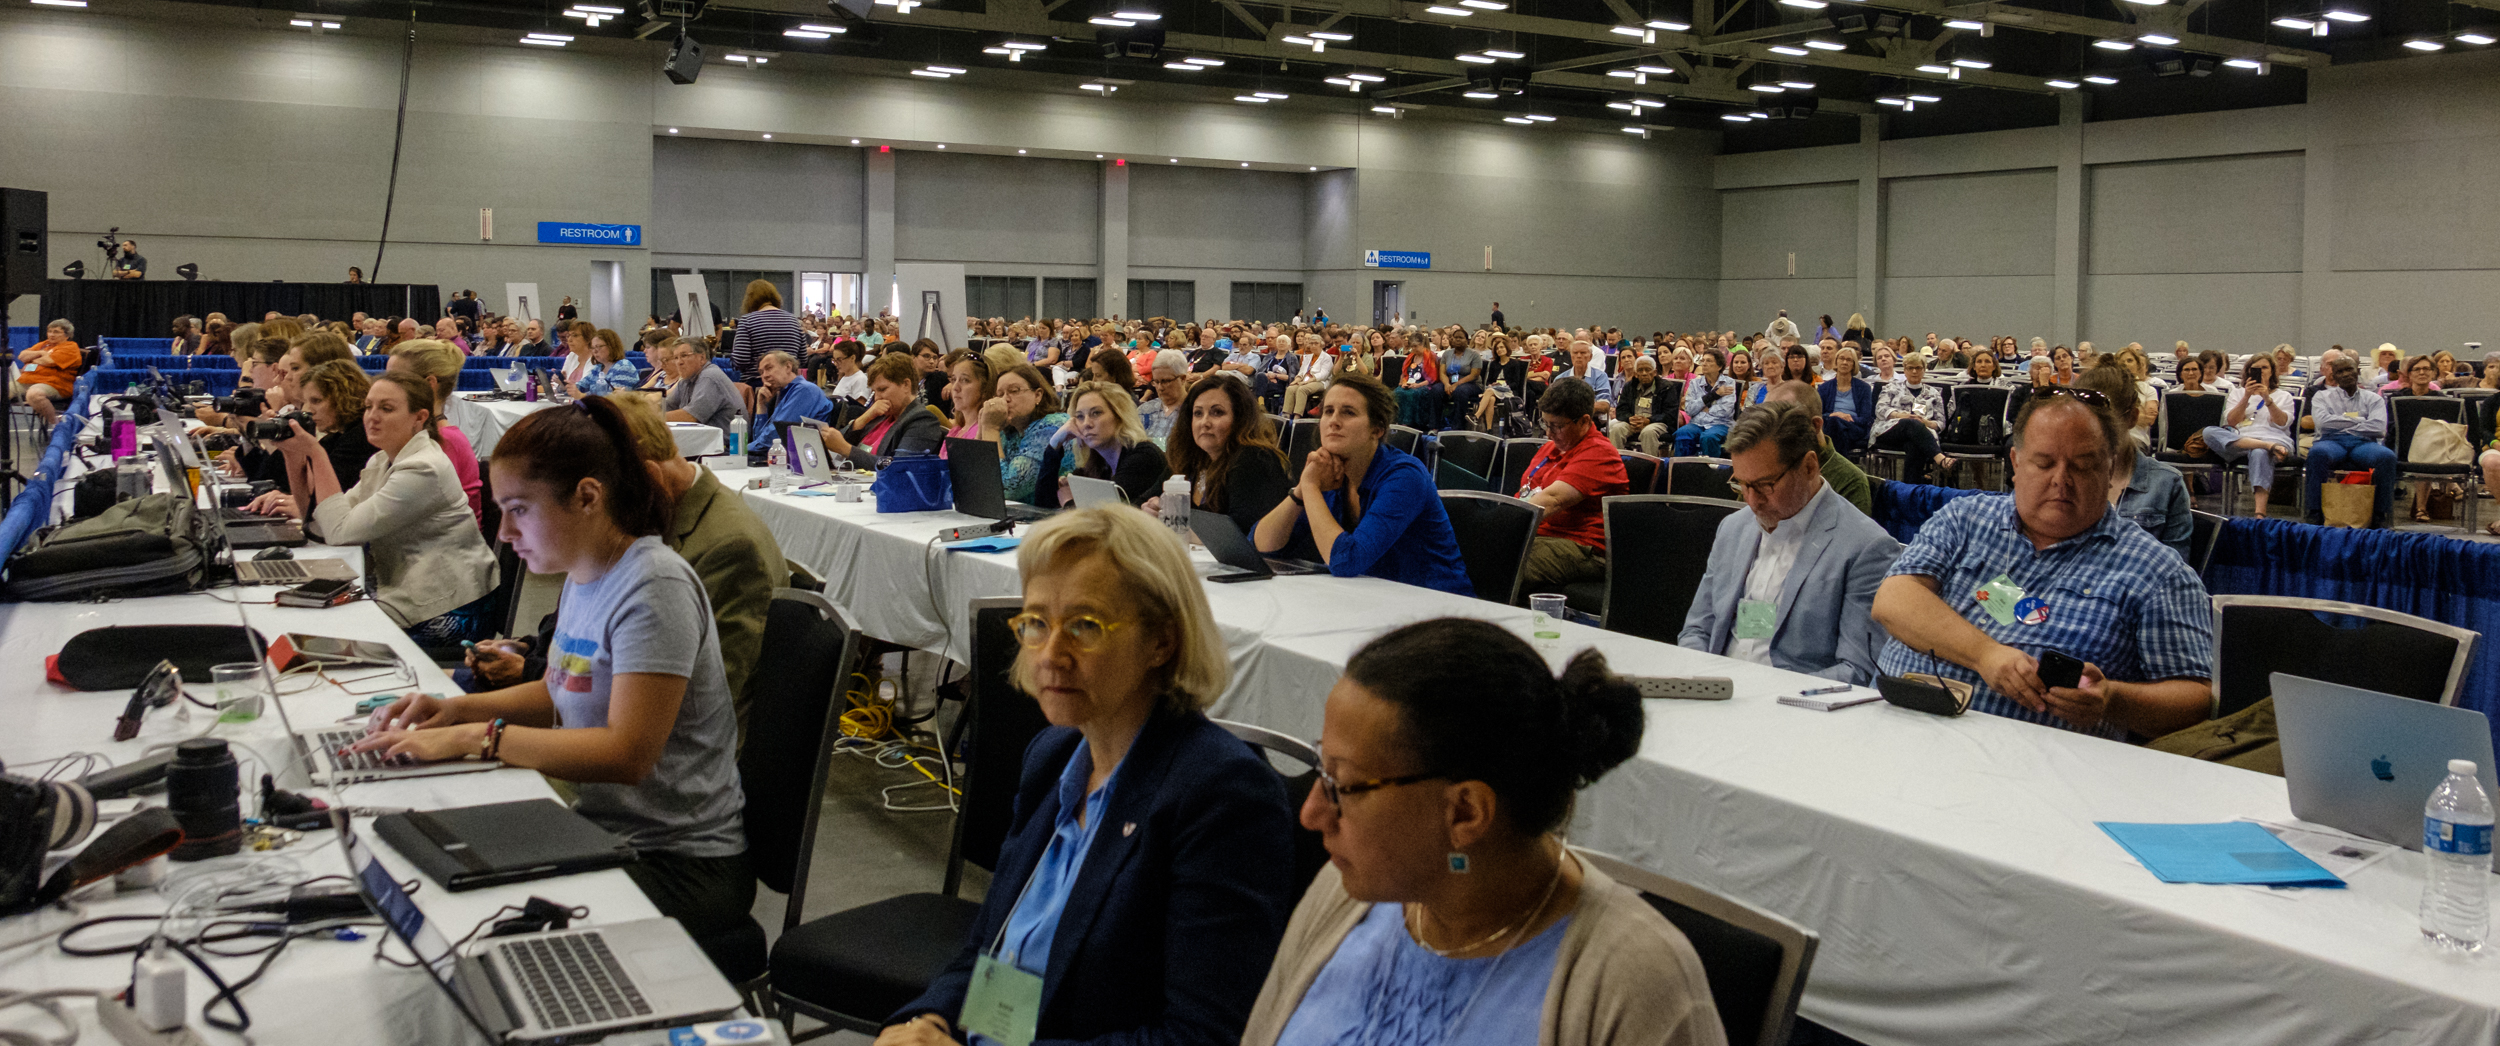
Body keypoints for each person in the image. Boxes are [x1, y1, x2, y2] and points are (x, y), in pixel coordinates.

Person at [352, 395, 758, 974]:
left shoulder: (655, 586)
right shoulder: (587, 571)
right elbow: (556, 691)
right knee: (419, 863)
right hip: (606, 829)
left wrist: (479, 739)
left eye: (519, 509)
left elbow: (627, 753)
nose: (505, 531)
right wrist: (456, 711)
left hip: (681, 863)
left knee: (466, 928)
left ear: (588, 497)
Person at [880, 508, 1298, 1046]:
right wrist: (928, 1021)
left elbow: (1201, 1038)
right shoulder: (1053, 757)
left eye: (1085, 626)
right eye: (1036, 622)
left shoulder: (1221, 795)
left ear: (1162, 642)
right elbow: (993, 948)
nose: (1051, 655)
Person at [1240, 618, 1726, 1046]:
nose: (1312, 814)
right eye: (1321, 770)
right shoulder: (1346, 893)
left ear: (1466, 813)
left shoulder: (1637, 983)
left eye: (1342, 785)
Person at [1870, 386, 2214, 740]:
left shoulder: (2158, 572)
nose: (2061, 479)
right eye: (2044, 463)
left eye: (2082, 465)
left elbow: (2198, 699)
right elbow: (1893, 599)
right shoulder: (1964, 518)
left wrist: (2112, 700)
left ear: (2110, 468)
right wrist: (1985, 655)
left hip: (2031, 762)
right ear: (2016, 463)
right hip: (1890, 734)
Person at [1681, 402, 1900, 684]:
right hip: (1716, 690)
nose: (1752, 501)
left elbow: (1857, 670)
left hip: (1795, 702)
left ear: (1809, 466)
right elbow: (1697, 630)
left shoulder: (1866, 548)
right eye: (1742, 484)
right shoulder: (1733, 528)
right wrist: (1696, 681)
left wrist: (1765, 695)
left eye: (1765, 485)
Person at [291, 372, 498, 639]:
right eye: (368, 407)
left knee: (323, 632)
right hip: (408, 592)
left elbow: (340, 533)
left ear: (419, 417)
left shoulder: (423, 468)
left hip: (450, 609)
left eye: (386, 409)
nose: (372, 416)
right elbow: (320, 527)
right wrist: (292, 456)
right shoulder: (381, 461)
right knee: (306, 620)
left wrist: (316, 453)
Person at [1255, 372, 1473, 596]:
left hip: (1440, 607)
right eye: (1328, 411)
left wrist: (1310, 487)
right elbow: (1262, 546)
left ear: (1376, 430)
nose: (1333, 421)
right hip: (1375, 602)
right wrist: (1301, 491)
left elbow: (1347, 561)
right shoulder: (1327, 472)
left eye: (1348, 412)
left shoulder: (1405, 476)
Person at [1151, 374, 1313, 558]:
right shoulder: (1190, 459)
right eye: (1198, 413)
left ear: (1239, 419)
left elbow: (1240, 534)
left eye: (1217, 412)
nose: (1205, 422)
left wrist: (1172, 526)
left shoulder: (1255, 459)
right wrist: (1150, 510)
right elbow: (1142, 500)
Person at [1515, 378, 1628, 593]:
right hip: (1543, 536)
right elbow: (1525, 494)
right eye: (1545, 423)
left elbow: (1551, 501)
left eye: (1557, 426)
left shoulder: (1600, 453)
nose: (1548, 433)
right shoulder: (1550, 448)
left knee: (1507, 558)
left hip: (1583, 546)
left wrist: (1501, 527)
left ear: (1584, 421)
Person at [2076, 363, 2192, 561]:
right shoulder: (2062, 477)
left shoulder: (2166, 483)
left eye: (2106, 424)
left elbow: (2175, 568)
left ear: (2132, 418)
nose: (2093, 433)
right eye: (2082, 423)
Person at [241, 359, 379, 519]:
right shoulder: (335, 438)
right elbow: (306, 500)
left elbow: (323, 505)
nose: (309, 410)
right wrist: (289, 452)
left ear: (342, 398)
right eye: (306, 402)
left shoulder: (360, 439)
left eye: (316, 401)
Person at [383, 339, 485, 522]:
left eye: (396, 380)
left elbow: (397, 515)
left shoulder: (445, 442)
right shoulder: (417, 435)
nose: (385, 387)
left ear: (430, 383)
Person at [2302, 356, 2398, 528]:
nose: (2346, 374)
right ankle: (2314, 513)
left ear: (2357, 371)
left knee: (2387, 456)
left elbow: (2378, 428)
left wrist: (2340, 424)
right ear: (2334, 376)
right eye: (2340, 371)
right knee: (2317, 453)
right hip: (2332, 442)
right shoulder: (2321, 396)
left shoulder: (2373, 398)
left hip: (2364, 443)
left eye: (2349, 369)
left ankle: (2380, 515)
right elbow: (2323, 423)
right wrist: (2361, 421)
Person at [2196, 355, 2294, 519]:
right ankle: (2265, 446)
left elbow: (2282, 423)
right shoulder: (2238, 393)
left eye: (2265, 368)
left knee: (2259, 452)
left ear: (2272, 372)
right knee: (2208, 432)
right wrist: (2246, 396)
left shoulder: (2284, 396)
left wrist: (2267, 399)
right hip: (2241, 441)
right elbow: (2232, 422)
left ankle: (2259, 513)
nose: (2260, 371)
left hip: (2275, 438)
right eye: (2256, 368)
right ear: (2248, 372)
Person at [1045, 381, 1172, 507]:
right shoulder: (1097, 462)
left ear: (1119, 415)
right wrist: (1054, 444)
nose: (1086, 423)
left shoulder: (1143, 456)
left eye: (1096, 413)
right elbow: (1044, 504)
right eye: (1080, 416)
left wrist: (1068, 502)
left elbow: (1109, 516)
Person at [1762, 380, 1873, 516]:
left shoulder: (1850, 481)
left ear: (1815, 425)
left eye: (1783, 425)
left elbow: (1853, 530)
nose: (1771, 434)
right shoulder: (1763, 468)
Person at [825, 351, 949, 469]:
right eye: (874, 391)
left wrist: (846, 449)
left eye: (882, 389)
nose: (877, 397)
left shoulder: (923, 421)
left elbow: (898, 467)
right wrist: (864, 418)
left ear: (906, 385)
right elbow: (833, 443)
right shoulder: (879, 415)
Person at [981, 364, 1070, 503]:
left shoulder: (1052, 426)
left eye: (1014, 391)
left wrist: (990, 429)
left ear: (1037, 395)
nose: (1005, 399)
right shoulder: (1012, 431)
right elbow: (976, 481)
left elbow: (1007, 489)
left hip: (1059, 514)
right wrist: (983, 426)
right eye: (1000, 395)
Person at [1870, 355, 1951, 484]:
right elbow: (1880, 410)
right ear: (1904, 370)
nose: (1914, 371)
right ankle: (1939, 458)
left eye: (1918, 368)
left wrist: (1927, 422)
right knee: (1910, 423)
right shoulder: (1891, 388)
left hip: (1921, 434)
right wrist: (1901, 416)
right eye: (1910, 368)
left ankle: (1909, 488)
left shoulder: (1933, 393)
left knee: (1914, 444)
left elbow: (1941, 423)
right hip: (1889, 430)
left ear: (1924, 370)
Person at [660, 337, 744, 435]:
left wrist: (652, 418)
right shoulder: (686, 380)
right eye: (676, 358)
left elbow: (690, 417)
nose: (679, 362)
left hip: (724, 443)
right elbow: (665, 406)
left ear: (702, 358)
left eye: (684, 356)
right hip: (701, 439)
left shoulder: (709, 377)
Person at [12, 319, 84, 430]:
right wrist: (41, 353)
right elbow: (22, 356)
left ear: (67, 335)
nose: (51, 335)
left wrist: (32, 360)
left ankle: (54, 425)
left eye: (56, 332)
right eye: (49, 331)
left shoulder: (70, 347)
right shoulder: (44, 345)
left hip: (55, 384)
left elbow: (49, 361)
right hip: (28, 380)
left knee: (34, 394)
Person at [755, 349, 835, 447]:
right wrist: (761, 406)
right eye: (761, 372)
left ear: (788, 367)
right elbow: (759, 439)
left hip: (800, 454)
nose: (765, 375)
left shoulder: (805, 390)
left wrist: (744, 448)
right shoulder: (783, 393)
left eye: (769, 368)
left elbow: (773, 439)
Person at [1671, 349, 1739, 458]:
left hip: (1721, 424)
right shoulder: (1695, 383)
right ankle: (1682, 466)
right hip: (1697, 423)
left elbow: (1725, 411)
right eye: (1703, 360)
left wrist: (1702, 408)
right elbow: (1689, 409)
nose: (1704, 364)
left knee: (1708, 437)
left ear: (1719, 366)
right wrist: (1712, 396)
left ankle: (1711, 468)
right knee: (1682, 433)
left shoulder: (1729, 383)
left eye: (1709, 361)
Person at [1607, 354, 1674, 456]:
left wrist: (1648, 420)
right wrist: (1630, 418)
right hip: (1633, 422)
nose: (1644, 373)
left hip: (1656, 423)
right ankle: (1616, 462)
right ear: (1635, 374)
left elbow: (1670, 414)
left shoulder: (1667, 387)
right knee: (1616, 429)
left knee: (1648, 432)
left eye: (1647, 370)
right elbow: (1621, 410)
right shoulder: (1629, 387)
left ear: (1655, 372)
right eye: (1640, 370)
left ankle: (1651, 465)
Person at [1819, 346, 1874, 456]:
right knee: (1836, 426)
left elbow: (1865, 418)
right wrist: (1834, 415)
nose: (1844, 362)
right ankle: (1840, 463)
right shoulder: (1824, 388)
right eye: (1842, 358)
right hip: (1831, 425)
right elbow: (1819, 414)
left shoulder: (1864, 388)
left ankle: (1832, 462)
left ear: (1854, 364)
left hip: (1854, 427)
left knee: (1835, 424)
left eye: (1849, 360)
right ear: (1836, 361)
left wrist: (1847, 417)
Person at [570, 329, 642, 397]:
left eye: (598, 347)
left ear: (611, 346)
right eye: (593, 348)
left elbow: (614, 398)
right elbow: (581, 386)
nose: (594, 351)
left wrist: (583, 396)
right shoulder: (598, 368)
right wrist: (568, 386)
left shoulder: (624, 367)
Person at [1140, 349, 1192, 441]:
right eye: (1156, 382)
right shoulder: (1144, 411)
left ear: (1182, 379)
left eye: (1165, 381)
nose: (1160, 387)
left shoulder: (1194, 412)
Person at [1282, 338, 1337, 418]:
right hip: (1305, 380)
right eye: (1311, 344)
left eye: (1316, 343)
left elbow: (1324, 374)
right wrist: (1297, 379)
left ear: (1321, 345)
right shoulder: (1307, 357)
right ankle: (1286, 415)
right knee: (1291, 388)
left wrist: (1309, 380)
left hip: (1320, 381)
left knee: (1302, 389)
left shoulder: (1326, 357)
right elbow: (1302, 371)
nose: (1313, 346)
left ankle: (1297, 416)